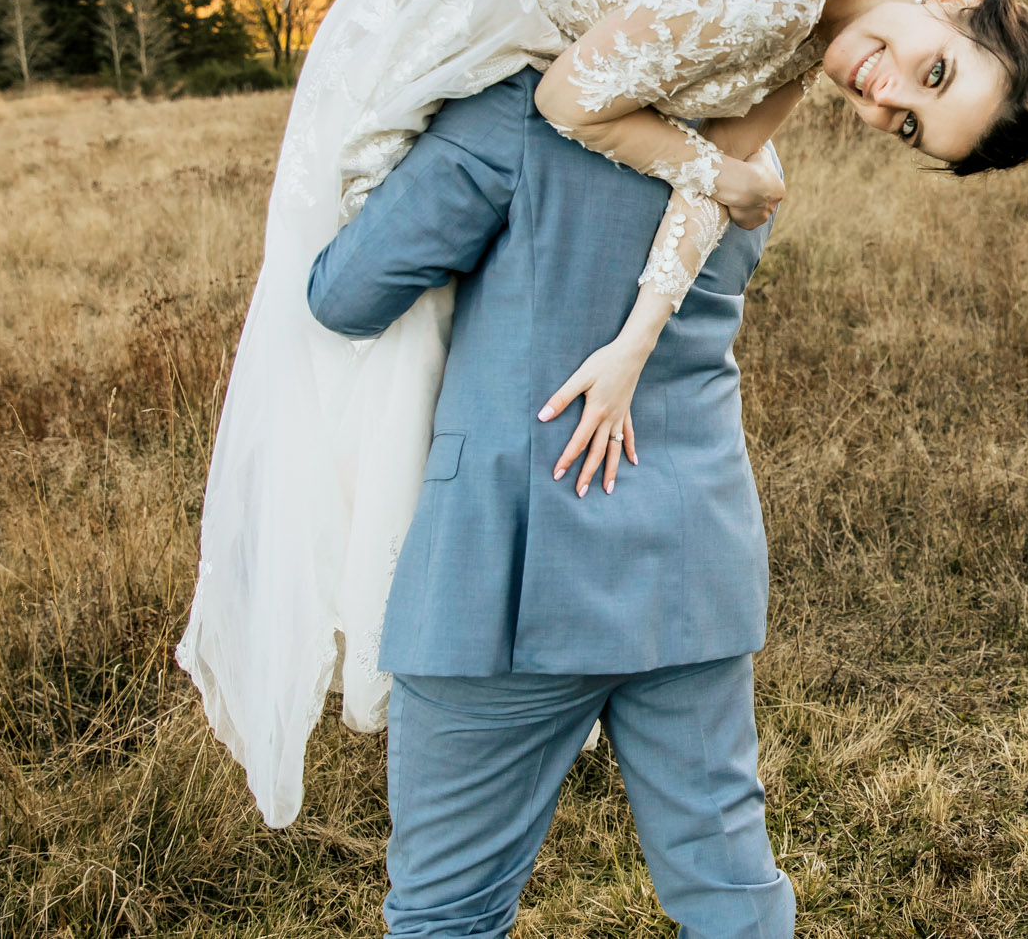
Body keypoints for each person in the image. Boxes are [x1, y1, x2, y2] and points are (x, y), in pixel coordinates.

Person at [175, 0, 1028, 827]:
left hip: (558, 92)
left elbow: (711, 165)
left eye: (905, 124)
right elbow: (594, 111)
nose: (883, 95)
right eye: (931, 73)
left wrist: (634, 340)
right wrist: (723, 180)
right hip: (477, 5)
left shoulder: (831, 0)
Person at [306, 67, 793, 936]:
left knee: (446, 912)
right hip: (692, 551)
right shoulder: (745, 138)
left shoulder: (514, 115)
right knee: (731, 895)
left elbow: (345, 294)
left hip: (503, 566)